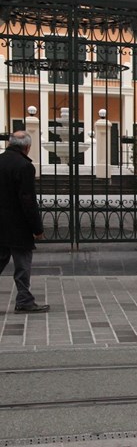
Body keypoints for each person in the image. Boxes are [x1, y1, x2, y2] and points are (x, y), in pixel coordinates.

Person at [0, 131, 48, 313]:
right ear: (27, 147)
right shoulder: (24, 166)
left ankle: (25, 300)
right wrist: (37, 228)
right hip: (18, 226)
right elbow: (27, 199)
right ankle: (24, 300)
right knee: (22, 265)